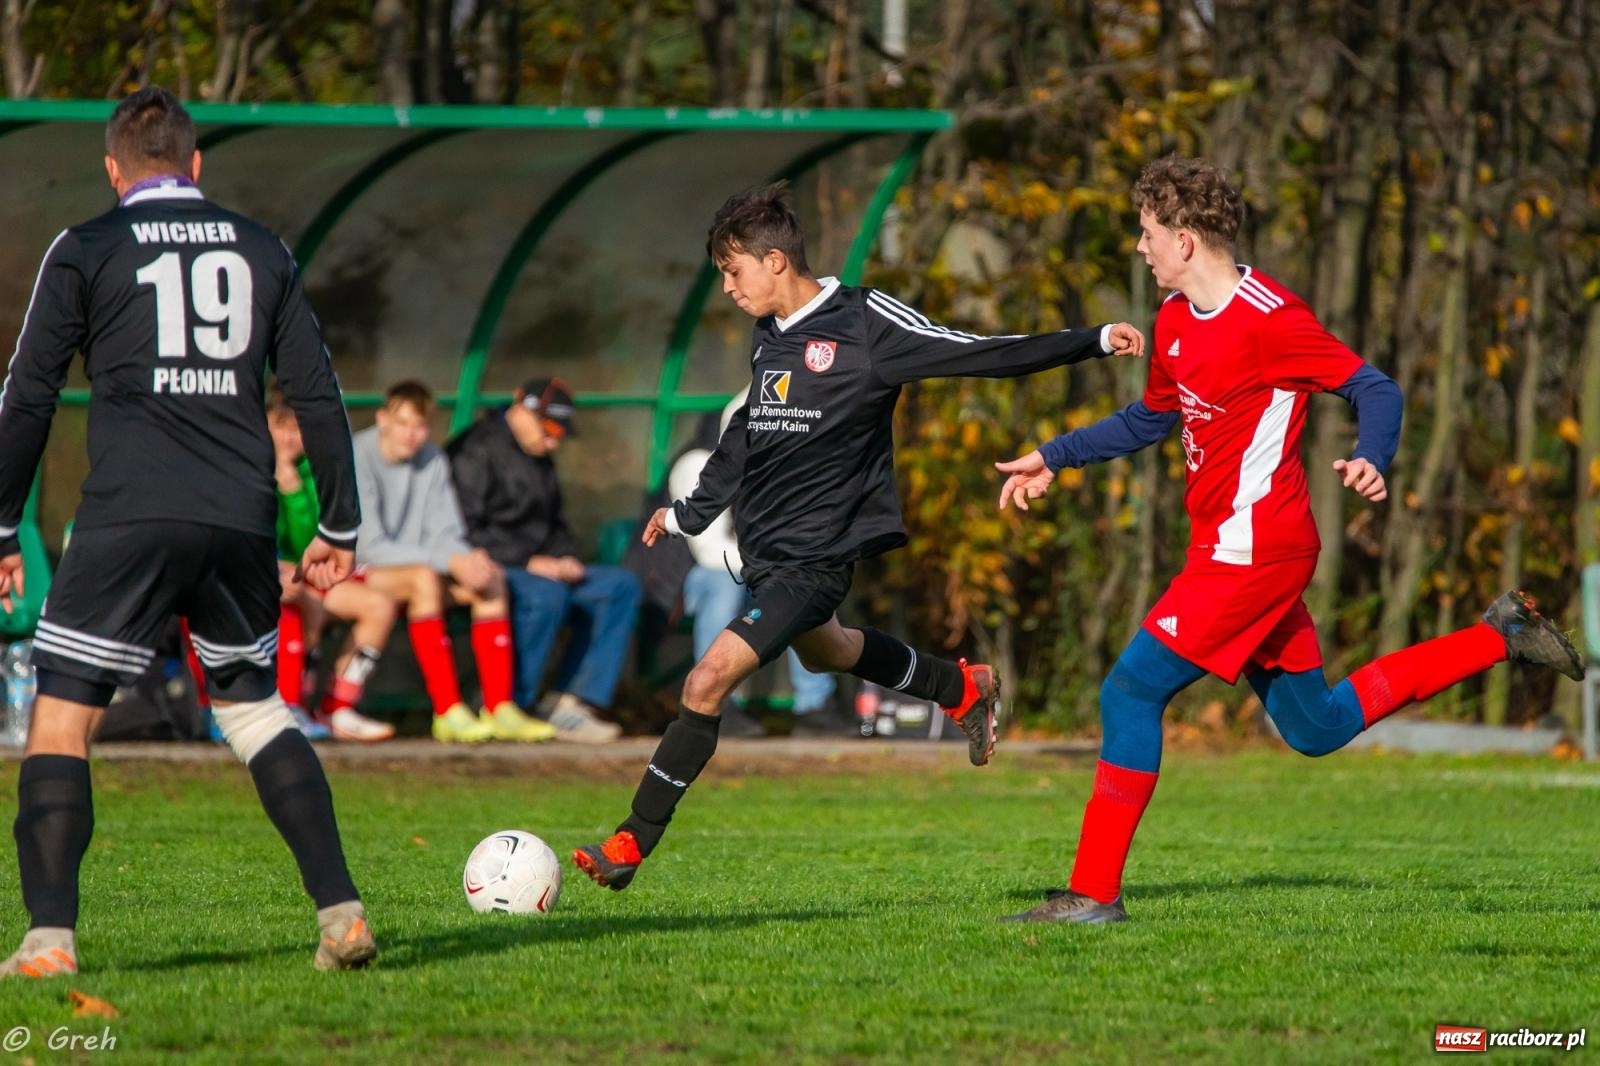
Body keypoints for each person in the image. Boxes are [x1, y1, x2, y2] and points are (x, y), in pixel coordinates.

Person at [991, 156, 1583, 924]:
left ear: (1185, 240)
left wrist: (1372, 456)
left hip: (1254, 554)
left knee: (1129, 690)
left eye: (1146, 233)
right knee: (1316, 727)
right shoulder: (1174, 321)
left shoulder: (1272, 320)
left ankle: (1094, 894)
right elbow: (1150, 419)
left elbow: (1374, 387)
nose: (1139, 248)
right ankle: (1498, 636)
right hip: (1231, 551)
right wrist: (1055, 456)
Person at [572, 181, 1146, 891]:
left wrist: (1091, 341)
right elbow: (746, 434)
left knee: (706, 678)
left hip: (816, 560)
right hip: (766, 555)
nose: (727, 288)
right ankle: (958, 685)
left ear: (775, 260)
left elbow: (976, 351)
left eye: (733, 271)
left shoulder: (865, 322)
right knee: (831, 653)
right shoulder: (770, 335)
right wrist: (688, 512)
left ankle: (632, 840)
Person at [0, 87, 377, 974]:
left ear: (112, 169)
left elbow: (27, 395)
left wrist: (3, 526)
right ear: (195, 164)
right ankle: (342, 914)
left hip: (129, 510)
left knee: (60, 722)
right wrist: (340, 523)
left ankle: (50, 941)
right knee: (253, 709)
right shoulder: (263, 248)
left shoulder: (86, 246)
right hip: (240, 515)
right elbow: (317, 392)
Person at [352, 380, 554, 744]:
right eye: (402, 423)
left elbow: (447, 531)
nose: (410, 435)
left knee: (490, 578)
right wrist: (448, 559)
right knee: (425, 579)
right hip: (359, 573)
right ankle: (446, 710)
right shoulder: (357, 454)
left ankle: (498, 707)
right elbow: (369, 547)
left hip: (423, 571)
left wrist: (467, 559)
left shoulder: (433, 459)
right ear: (382, 419)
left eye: (419, 426)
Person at [447, 378, 638, 744]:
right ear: (521, 408)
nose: (553, 442)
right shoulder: (474, 450)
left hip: (542, 566)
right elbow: (460, 532)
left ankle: (569, 702)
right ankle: (509, 703)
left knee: (618, 586)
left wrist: (567, 558)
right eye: (548, 430)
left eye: (559, 434)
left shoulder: (540, 456)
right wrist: (528, 562)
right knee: (546, 595)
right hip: (495, 567)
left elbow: (555, 524)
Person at [669, 388, 848, 736]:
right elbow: (710, 551)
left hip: (749, 573)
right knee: (725, 584)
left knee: (801, 583)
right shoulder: (696, 463)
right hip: (691, 581)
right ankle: (714, 702)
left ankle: (815, 706)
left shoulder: (775, 469)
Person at [267, 390, 398, 742]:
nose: (289, 438)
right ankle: (290, 704)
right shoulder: (248, 467)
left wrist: (293, 490)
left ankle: (338, 707)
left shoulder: (317, 471)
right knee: (301, 603)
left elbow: (312, 540)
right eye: (281, 427)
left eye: (297, 429)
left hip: (309, 573)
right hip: (269, 575)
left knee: (379, 606)